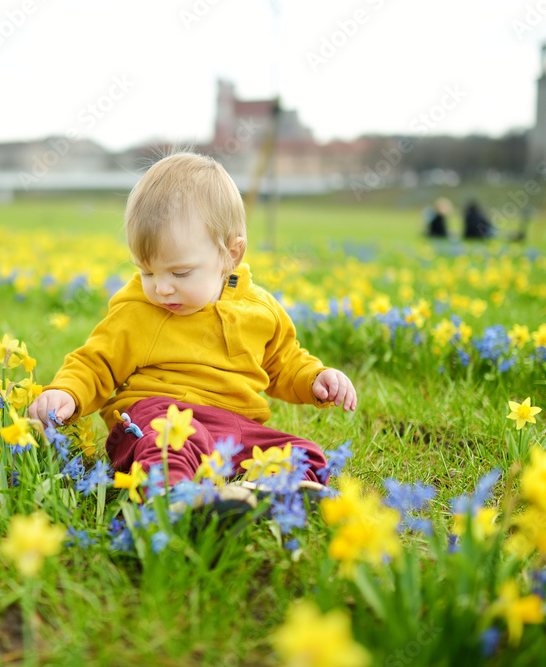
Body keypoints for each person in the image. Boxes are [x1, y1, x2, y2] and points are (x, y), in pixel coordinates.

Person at [28, 152, 357, 499]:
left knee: (308, 456)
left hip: (234, 430)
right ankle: (174, 495)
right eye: (147, 271)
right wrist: (66, 391)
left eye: (180, 272)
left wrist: (316, 378)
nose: (161, 287)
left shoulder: (259, 309)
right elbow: (96, 363)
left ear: (231, 254)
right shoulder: (139, 310)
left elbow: (284, 362)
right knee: (165, 442)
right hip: (158, 415)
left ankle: (267, 493)